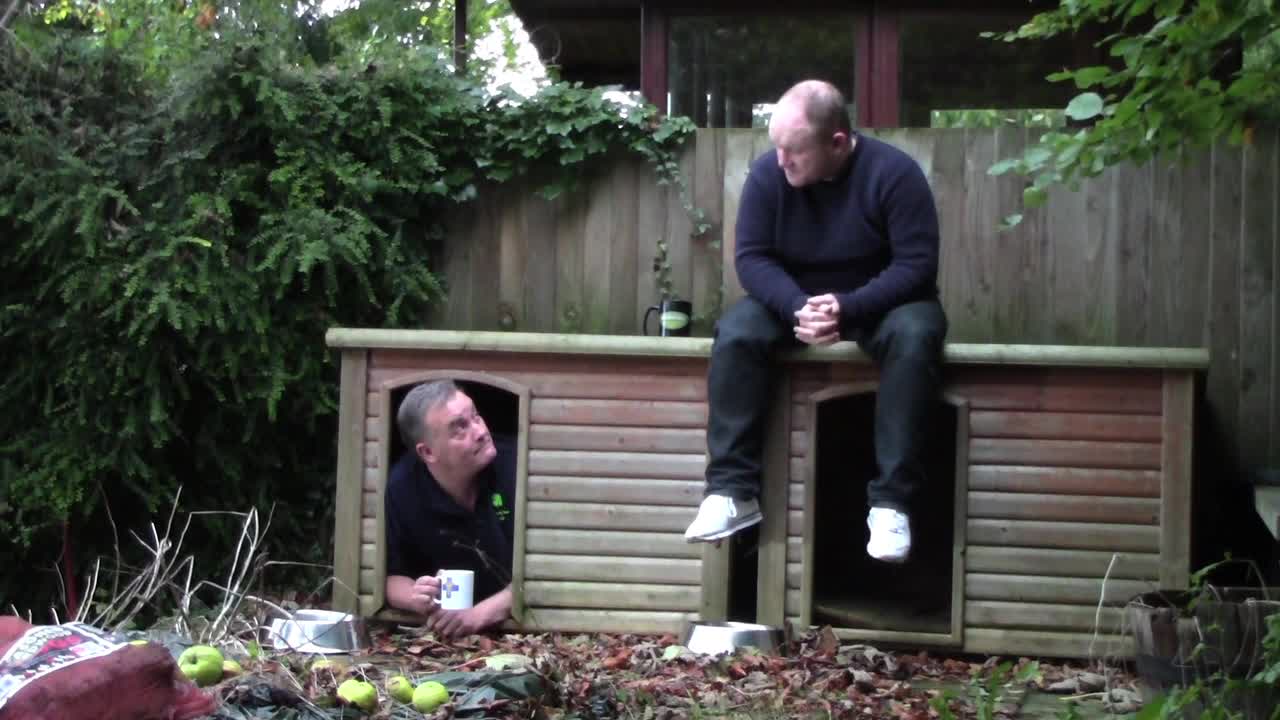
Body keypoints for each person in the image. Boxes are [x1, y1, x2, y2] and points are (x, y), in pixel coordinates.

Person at [683, 79, 947, 563]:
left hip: (882, 303)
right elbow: (752, 258)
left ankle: (891, 505)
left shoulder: (895, 174)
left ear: (838, 143)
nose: (781, 161)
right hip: (795, 302)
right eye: (777, 148)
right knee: (738, 331)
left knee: (918, 334)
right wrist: (797, 305)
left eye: (795, 152)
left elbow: (916, 266)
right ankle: (731, 491)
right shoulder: (769, 175)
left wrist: (848, 307)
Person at [384, 380, 515, 637]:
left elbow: (550, 573)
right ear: (428, 452)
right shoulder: (402, 487)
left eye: (476, 416)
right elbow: (388, 576)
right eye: (459, 428)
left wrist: (478, 615)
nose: (480, 431)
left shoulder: (516, 465)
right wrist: (415, 596)